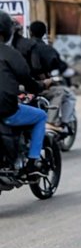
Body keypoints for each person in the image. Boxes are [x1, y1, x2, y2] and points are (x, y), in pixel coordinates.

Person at [0, 11, 47, 177]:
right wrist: (41, 86)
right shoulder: (10, 53)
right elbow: (27, 79)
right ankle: (33, 163)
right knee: (41, 116)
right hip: (6, 110)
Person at [28, 21, 75, 130]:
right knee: (64, 93)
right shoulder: (47, 49)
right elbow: (61, 67)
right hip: (39, 87)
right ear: (44, 34)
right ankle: (52, 122)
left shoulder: (20, 47)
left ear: (30, 32)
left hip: (22, 86)